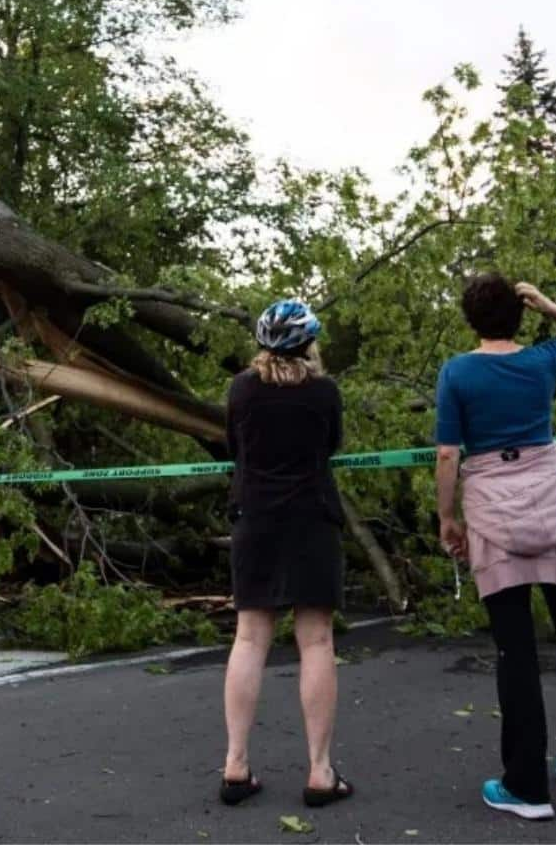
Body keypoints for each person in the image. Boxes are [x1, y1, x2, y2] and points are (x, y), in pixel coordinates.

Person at [435, 273, 556, 821]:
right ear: (519, 314)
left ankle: (526, 786)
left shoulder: (458, 372)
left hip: (493, 505)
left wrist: (448, 516)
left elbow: (447, 455)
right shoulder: (541, 361)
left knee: (516, 653)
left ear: (470, 319)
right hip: (553, 501)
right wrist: (549, 303)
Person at [220, 300, 354, 809]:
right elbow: (331, 446)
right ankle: (320, 771)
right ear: (309, 344)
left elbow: (235, 446)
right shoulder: (324, 394)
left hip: (255, 519)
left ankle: (235, 765)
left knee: (250, 637)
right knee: (316, 640)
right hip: (311, 519)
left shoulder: (240, 390)